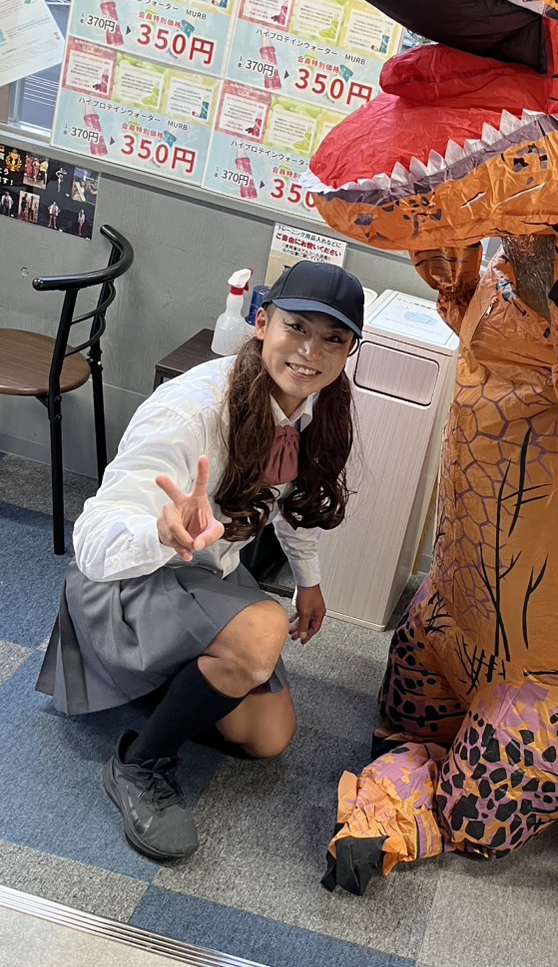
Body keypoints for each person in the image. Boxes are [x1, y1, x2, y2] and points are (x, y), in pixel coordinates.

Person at [37, 261, 364, 862]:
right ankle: (139, 763)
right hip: (129, 577)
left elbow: (289, 503)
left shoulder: (313, 407)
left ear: (349, 352)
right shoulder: (191, 411)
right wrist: (161, 533)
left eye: (333, 339)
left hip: (206, 572)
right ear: (262, 323)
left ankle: (165, 679)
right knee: (263, 628)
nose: (310, 351)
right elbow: (93, 540)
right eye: (296, 327)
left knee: (269, 737)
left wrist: (309, 582)